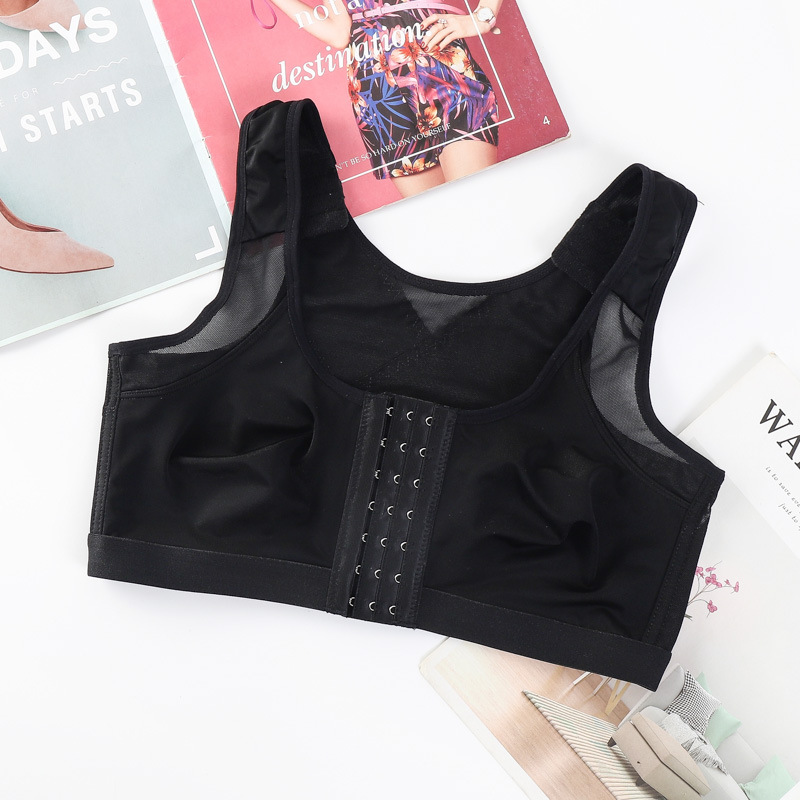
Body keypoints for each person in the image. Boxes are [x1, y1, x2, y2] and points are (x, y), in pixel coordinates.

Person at [266, 0, 502, 197]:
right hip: (378, 92)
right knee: (436, 221)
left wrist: (483, 16)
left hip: (439, 67)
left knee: (477, 203)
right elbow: (339, 34)